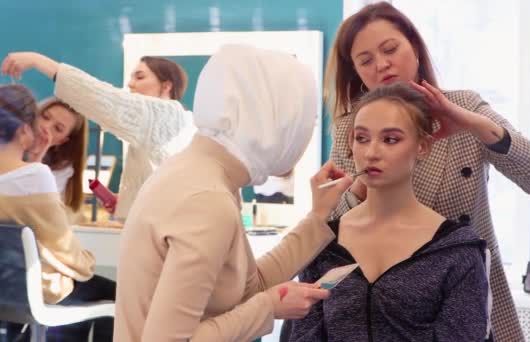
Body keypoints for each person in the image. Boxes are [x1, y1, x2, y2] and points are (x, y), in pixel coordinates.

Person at [324, 2, 530, 341]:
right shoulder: (354, 130)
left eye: (390, 49)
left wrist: (476, 125)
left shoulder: (464, 109)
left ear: (415, 49)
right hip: (390, 311)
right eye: (366, 60)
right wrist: (363, 184)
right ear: (357, 73)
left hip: (473, 302)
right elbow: (333, 236)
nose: (382, 64)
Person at [114, 44, 353, 342]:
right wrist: (268, 308)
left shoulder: (201, 174)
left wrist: (318, 216)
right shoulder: (207, 199)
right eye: (304, 119)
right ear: (273, 119)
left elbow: (248, 286)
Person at [288, 83, 489, 341]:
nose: (371, 153)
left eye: (390, 139)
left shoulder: (457, 251)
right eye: (361, 138)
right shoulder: (324, 243)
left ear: (423, 146)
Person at [1, 52, 194, 221]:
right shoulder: (181, 125)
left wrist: (38, 61)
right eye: (45, 117)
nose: (130, 84)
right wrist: (129, 200)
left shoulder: (162, 114)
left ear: (166, 86)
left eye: (140, 77)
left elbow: (99, 96)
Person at [0, 84, 114, 341]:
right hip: (33, 290)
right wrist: (86, 262)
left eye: (57, 128)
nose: (44, 129)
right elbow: (66, 251)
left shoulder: (35, 173)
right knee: (114, 293)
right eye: (44, 118)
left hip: (7, 288)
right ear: (24, 127)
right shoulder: (37, 176)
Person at [28, 97, 88, 222]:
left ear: (62, 141)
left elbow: (34, 211)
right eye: (45, 117)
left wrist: (35, 160)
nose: (45, 126)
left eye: (58, 128)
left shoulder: (61, 170)